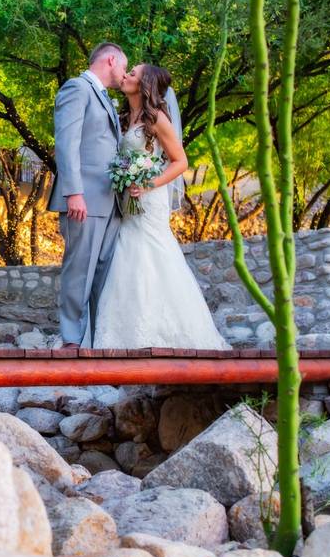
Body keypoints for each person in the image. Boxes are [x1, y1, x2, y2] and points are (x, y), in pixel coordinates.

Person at [91, 63, 230, 350]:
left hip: (148, 198)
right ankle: (123, 336)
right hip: (128, 197)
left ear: (145, 85)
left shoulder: (157, 120)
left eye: (133, 74)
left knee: (151, 254)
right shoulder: (124, 117)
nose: (126, 75)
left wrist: (148, 183)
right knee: (127, 257)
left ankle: (168, 333)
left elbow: (181, 161)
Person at [47, 42, 127, 348]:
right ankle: (71, 341)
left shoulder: (105, 98)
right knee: (79, 270)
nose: (124, 74)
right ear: (110, 60)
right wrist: (74, 192)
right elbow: (66, 143)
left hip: (111, 202)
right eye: (123, 66)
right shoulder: (77, 88)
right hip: (85, 199)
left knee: (102, 275)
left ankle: (94, 340)